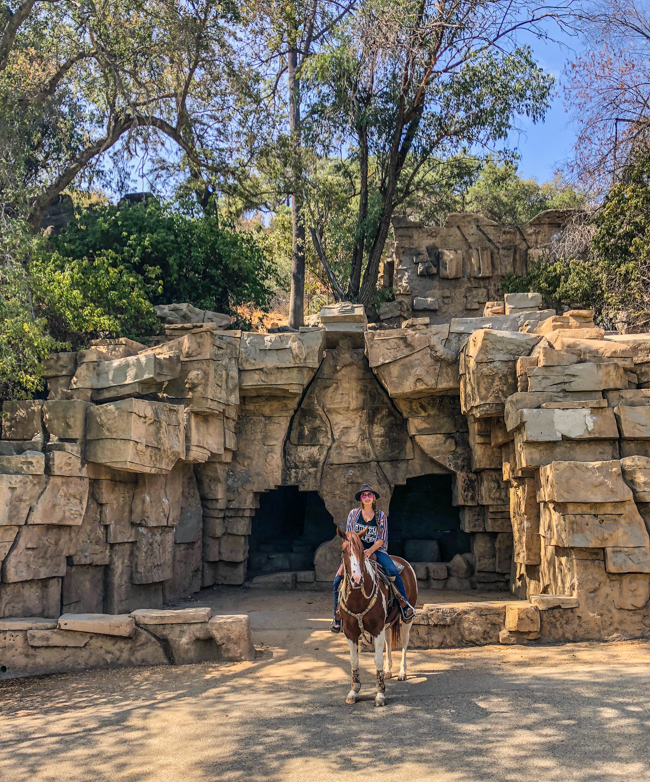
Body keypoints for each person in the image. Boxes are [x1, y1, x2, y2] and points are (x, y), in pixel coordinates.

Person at [330, 483, 415, 633]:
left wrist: (369, 550)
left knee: (392, 571)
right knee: (338, 579)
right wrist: (358, 550)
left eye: (370, 495)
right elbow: (349, 536)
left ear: (374, 497)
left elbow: (381, 539)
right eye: (364, 495)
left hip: (376, 550)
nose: (367, 497)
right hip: (355, 552)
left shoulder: (381, 516)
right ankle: (337, 615)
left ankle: (404, 604)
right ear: (360, 499)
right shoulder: (353, 514)